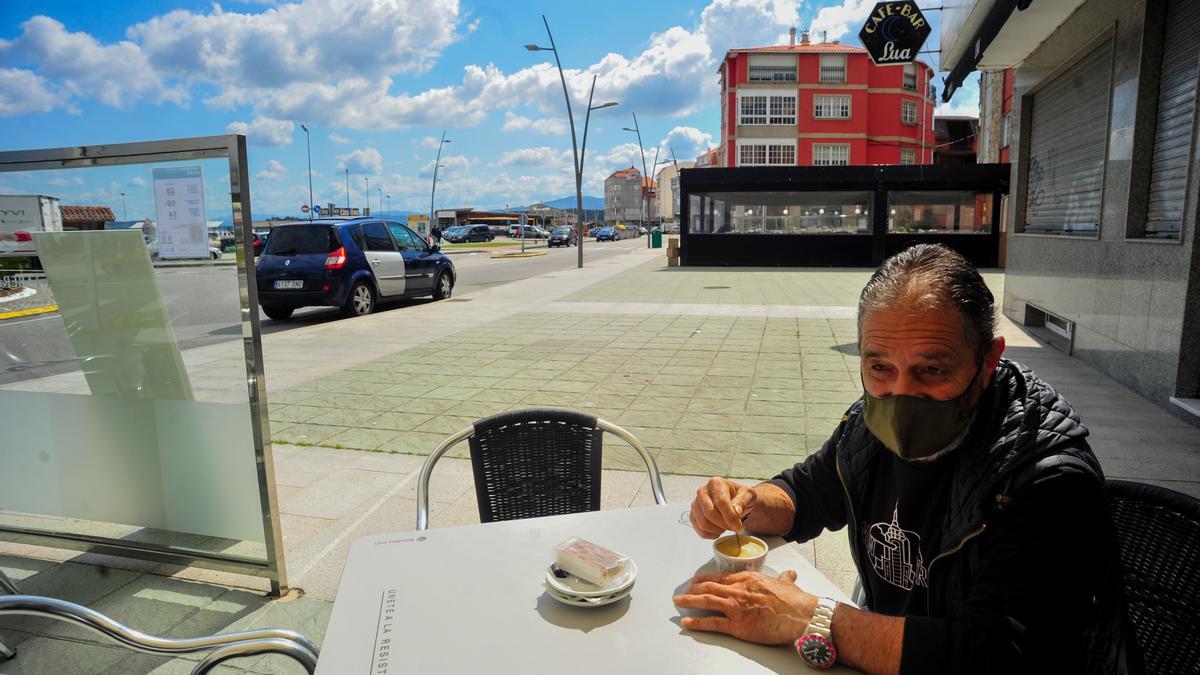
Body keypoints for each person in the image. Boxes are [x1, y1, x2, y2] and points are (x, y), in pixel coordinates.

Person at [674, 244, 1138, 674]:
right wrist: (747, 502)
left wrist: (810, 618)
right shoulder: (868, 426)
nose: (901, 394)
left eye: (932, 370)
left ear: (989, 359)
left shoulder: (1046, 480)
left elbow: (997, 655)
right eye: (880, 367)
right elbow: (805, 493)